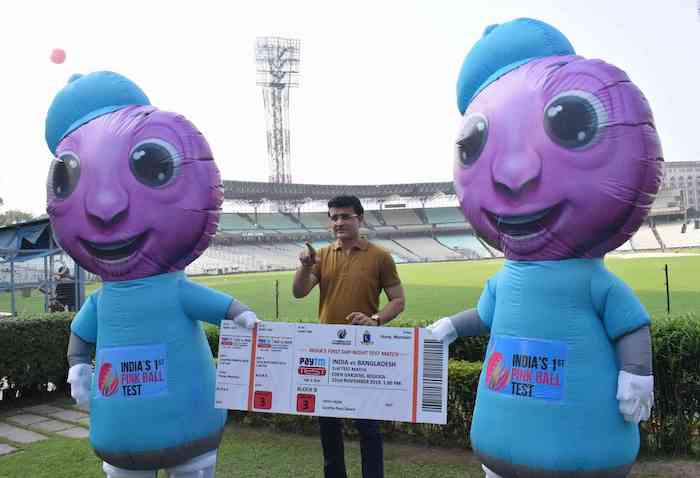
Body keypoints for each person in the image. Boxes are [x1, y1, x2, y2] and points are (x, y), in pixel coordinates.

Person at [292, 195, 406, 478]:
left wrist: (375, 320)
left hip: (362, 352)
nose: (339, 222)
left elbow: (398, 300)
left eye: (345, 216)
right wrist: (306, 266)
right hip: (327, 352)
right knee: (328, 426)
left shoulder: (380, 256)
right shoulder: (321, 256)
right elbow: (299, 291)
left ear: (360, 219)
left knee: (368, 426)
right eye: (334, 217)